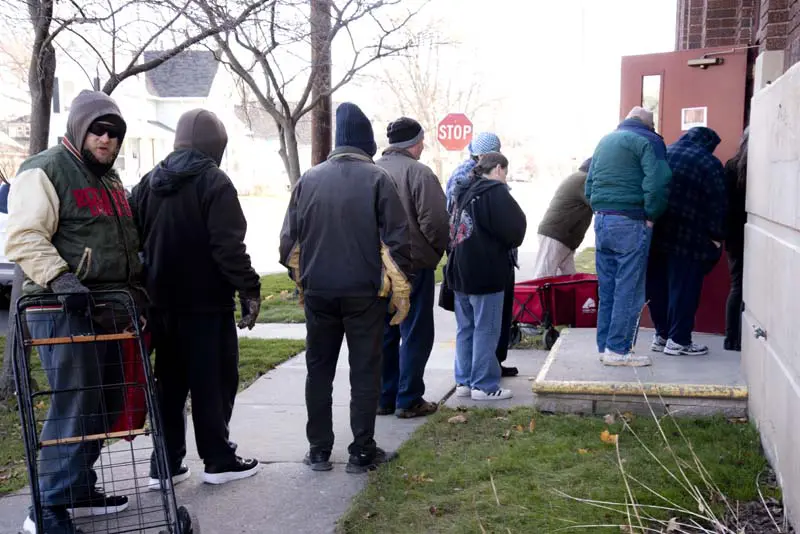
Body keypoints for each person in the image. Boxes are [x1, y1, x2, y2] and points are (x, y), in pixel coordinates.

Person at [5, 90, 144, 533]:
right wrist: (64, 281)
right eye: (98, 131)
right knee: (74, 407)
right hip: (61, 305)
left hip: (105, 308)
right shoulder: (45, 170)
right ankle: (45, 510)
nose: (106, 140)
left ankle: (77, 486)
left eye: (115, 134)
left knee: (104, 403)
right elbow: (24, 236)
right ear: (80, 130)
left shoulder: (110, 179)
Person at [129, 109, 263, 488]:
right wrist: (249, 288)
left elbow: (133, 241)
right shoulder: (214, 182)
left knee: (168, 384)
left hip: (161, 303)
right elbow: (228, 247)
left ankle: (166, 463)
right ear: (216, 145)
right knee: (214, 382)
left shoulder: (148, 183)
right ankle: (218, 459)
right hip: (205, 304)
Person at [279, 102, 413, 474]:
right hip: (364, 295)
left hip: (319, 293)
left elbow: (289, 245)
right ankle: (361, 452)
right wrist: (399, 291)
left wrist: (303, 281)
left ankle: (319, 449)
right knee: (364, 372)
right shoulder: (377, 179)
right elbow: (399, 243)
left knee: (318, 371)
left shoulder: (308, 179)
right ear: (366, 143)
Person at [586, 106, 672, 367]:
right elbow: (659, 181)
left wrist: (598, 206)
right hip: (631, 220)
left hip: (602, 219)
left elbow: (589, 182)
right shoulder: (649, 140)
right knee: (630, 288)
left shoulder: (606, 140)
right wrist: (651, 215)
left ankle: (605, 346)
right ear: (649, 123)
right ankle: (619, 349)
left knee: (608, 287)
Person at [375, 117, 449, 418]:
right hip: (413, 266)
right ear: (413, 144)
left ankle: (384, 397)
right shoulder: (419, 173)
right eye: (421, 140)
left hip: (378, 268)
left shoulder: (371, 169)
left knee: (385, 333)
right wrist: (434, 253)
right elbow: (436, 223)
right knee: (415, 331)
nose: (423, 145)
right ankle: (409, 398)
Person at [446, 152, 527, 400]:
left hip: (459, 269)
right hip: (486, 270)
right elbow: (515, 230)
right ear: (499, 169)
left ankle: (464, 382)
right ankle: (484, 385)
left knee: (466, 328)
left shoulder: (462, 190)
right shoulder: (495, 192)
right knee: (486, 328)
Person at [647, 127, 726, 357]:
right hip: (689, 237)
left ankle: (661, 335)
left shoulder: (665, 152)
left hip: (658, 231)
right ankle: (679, 340)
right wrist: (716, 236)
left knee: (658, 286)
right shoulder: (709, 162)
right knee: (684, 289)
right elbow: (718, 203)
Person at [533, 158, 594, 278]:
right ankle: (532, 297)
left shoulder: (579, 177)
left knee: (567, 280)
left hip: (564, 238)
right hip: (556, 235)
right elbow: (598, 204)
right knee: (542, 277)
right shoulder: (583, 180)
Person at [723, 127, 748, 352]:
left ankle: (731, 338)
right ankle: (747, 336)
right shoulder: (761, 166)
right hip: (753, 231)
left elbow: (724, 204)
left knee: (737, 286)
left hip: (734, 234)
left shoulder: (731, 166)